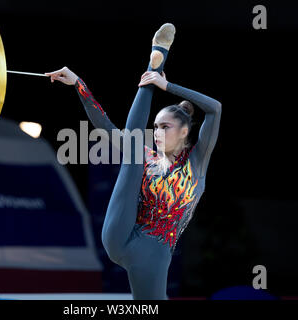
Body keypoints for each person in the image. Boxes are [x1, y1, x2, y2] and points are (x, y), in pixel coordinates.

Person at [45, 23, 222, 299]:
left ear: (185, 132)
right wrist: (78, 83)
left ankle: (155, 71)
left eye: (166, 127)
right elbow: (103, 125)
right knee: (134, 149)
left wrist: (168, 85)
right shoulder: (146, 156)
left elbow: (215, 109)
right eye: (156, 126)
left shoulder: (197, 162)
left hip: (154, 252)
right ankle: (156, 57)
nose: (158, 133)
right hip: (121, 232)